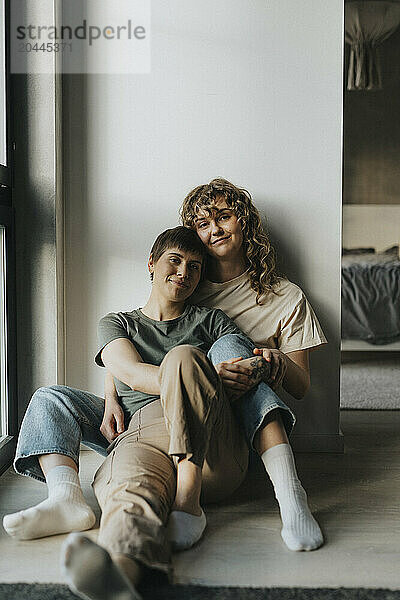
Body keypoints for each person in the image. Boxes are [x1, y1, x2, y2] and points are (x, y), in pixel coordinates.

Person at [60, 226, 289, 600]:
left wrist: (263, 361)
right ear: (151, 264)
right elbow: (128, 371)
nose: (184, 273)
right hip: (143, 435)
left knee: (183, 356)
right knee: (129, 495)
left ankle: (189, 500)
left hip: (212, 447)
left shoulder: (211, 321)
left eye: (196, 267)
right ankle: (121, 576)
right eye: (175, 261)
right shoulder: (119, 323)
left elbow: (245, 366)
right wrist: (205, 374)